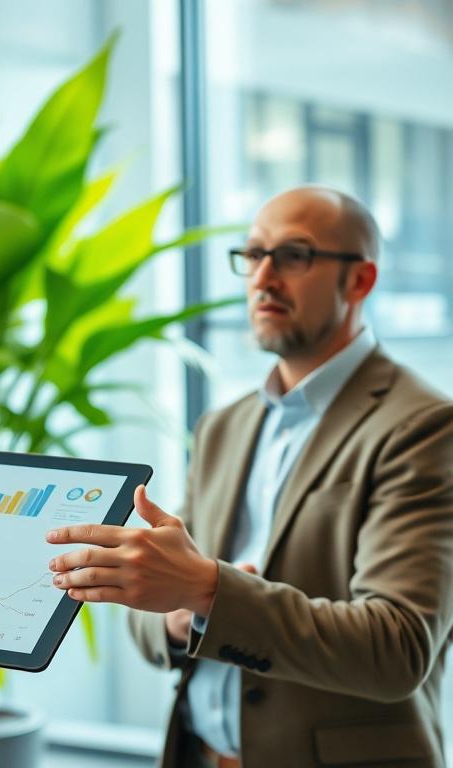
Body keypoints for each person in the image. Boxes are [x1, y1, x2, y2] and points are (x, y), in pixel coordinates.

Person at [46, 186, 453, 767]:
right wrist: (181, 613)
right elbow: (158, 614)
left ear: (360, 281)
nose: (263, 277)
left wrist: (209, 589)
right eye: (253, 255)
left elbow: (398, 648)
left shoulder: (424, 425)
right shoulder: (223, 426)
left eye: (294, 255)